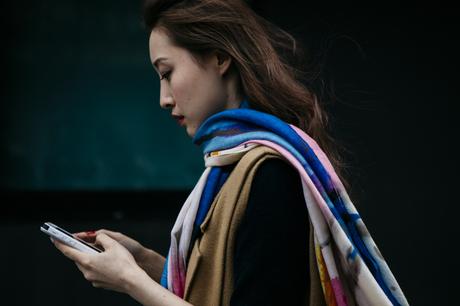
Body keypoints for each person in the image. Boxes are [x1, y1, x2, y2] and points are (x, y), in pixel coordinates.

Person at [52, 1, 409, 305]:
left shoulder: (271, 174)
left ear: (220, 57)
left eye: (167, 72)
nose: (163, 99)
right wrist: (144, 261)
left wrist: (132, 282)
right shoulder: (232, 167)